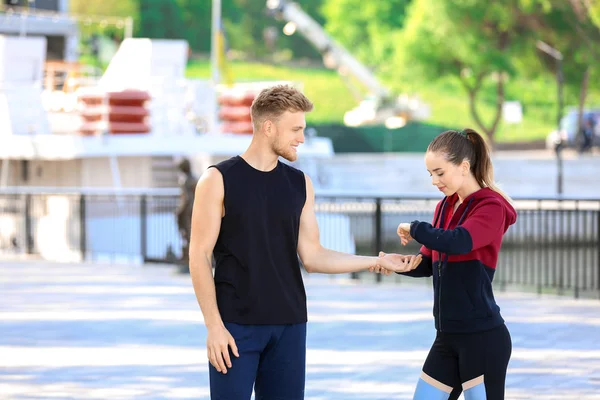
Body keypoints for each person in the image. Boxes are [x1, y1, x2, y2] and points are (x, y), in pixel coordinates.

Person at [188, 85, 413, 400]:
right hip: (235, 327)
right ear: (268, 128)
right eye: (295, 129)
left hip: (290, 326)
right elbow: (198, 255)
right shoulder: (217, 180)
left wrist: (375, 262)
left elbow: (313, 255)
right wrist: (214, 326)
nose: (302, 138)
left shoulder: (300, 183)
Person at [375, 128, 517, 400]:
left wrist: (414, 227)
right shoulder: (444, 208)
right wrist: (396, 264)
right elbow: (428, 262)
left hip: (482, 339)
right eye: (430, 174)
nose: (434, 181)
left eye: (439, 172)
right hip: (447, 336)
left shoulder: (490, 207)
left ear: (464, 167)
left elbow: (459, 241)